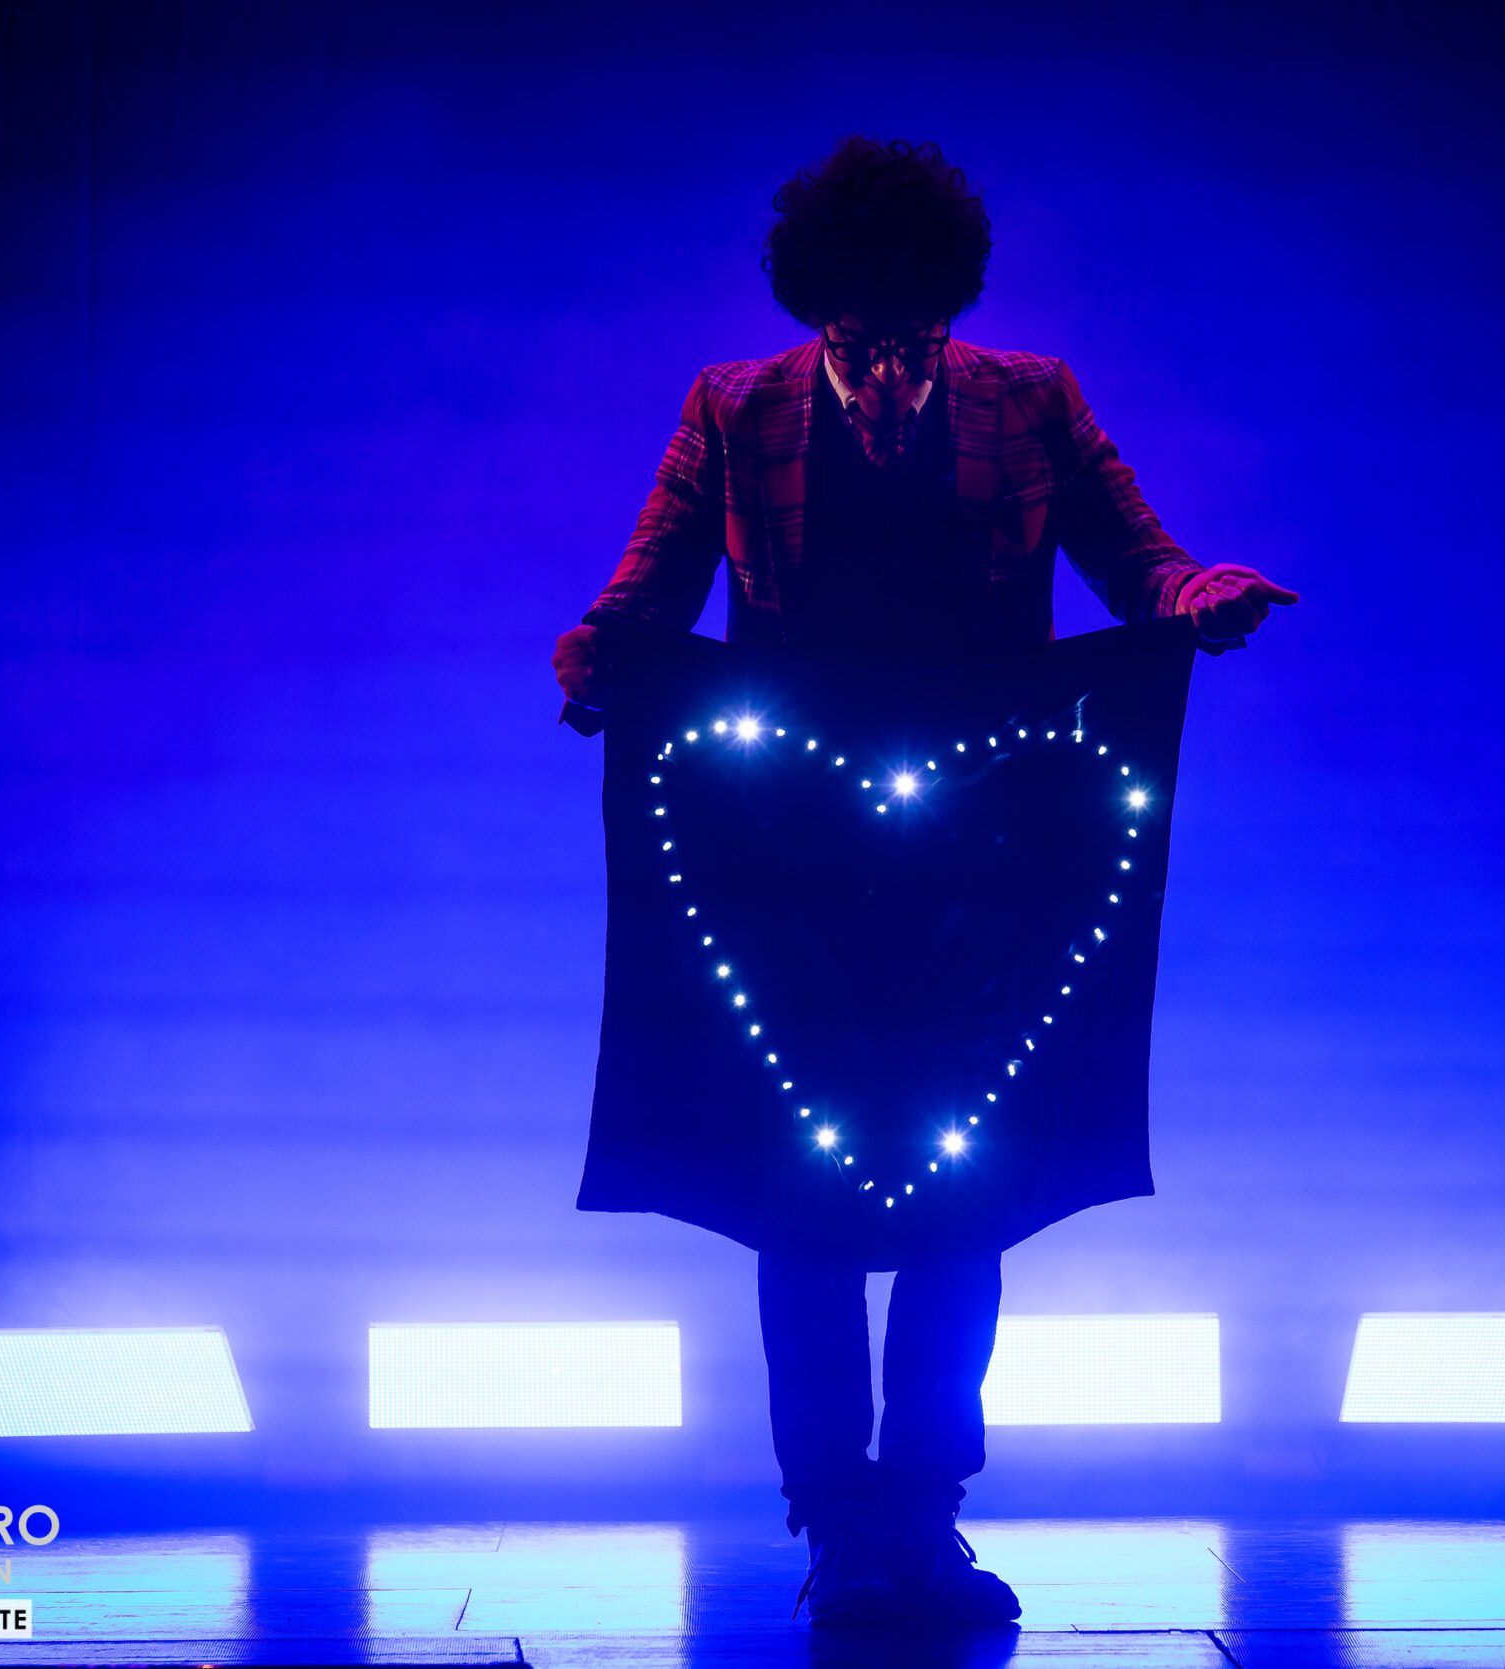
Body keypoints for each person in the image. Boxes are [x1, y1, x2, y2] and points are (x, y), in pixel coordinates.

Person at [551, 136, 1296, 1629]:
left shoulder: (1034, 398)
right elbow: (655, 580)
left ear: (953, 304)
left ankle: (926, 1513)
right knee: (800, 1188)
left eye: (917, 337)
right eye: (863, 337)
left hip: (987, 842)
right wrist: (598, 651)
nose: (891, 369)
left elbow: (1133, 555)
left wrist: (1194, 592)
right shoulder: (734, 406)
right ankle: (839, 1523)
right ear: (816, 305)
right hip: (790, 850)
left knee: (971, 1180)